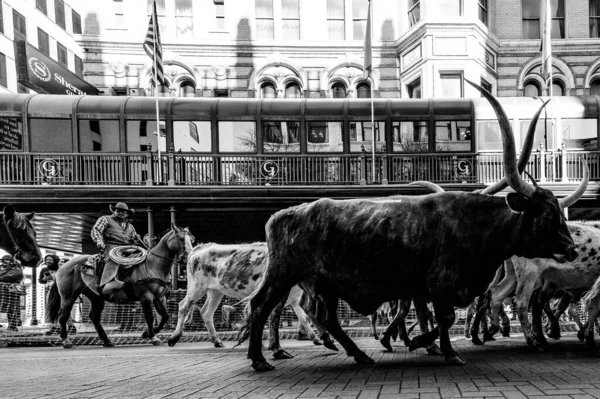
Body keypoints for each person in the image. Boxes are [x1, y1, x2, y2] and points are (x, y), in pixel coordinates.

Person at [91, 202, 140, 298]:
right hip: (112, 246)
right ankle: (106, 284)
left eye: (124, 212)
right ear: (114, 211)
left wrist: (135, 239)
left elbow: (133, 238)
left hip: (127, 247)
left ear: (127, 214)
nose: (122, 213)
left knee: (141, 257)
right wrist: (99, 241)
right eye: (119, 211)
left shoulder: (130, 226)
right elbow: (96, 230)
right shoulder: (105, 219)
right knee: (114, 258)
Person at [0, 254, 24, 331]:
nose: (5, 262)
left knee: (12, 307)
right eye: (4, 260)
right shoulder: (2, 267)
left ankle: (12, 325)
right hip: (2, 290)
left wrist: (7, 269)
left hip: (11, 290)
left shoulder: (17, 268)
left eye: (7, 260)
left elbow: (10, 276)